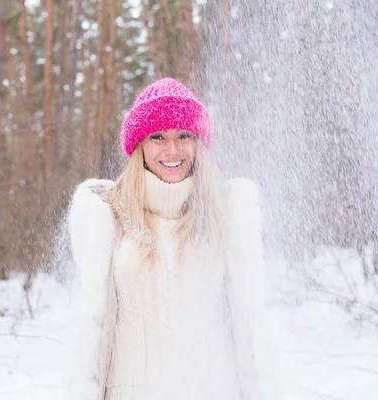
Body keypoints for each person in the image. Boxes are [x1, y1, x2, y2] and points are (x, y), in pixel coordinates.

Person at [67, 77, 280, 400]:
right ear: (138, 145)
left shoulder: (223, 216)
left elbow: (251, 327)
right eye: (157, 137)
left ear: (198, 142)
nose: (172, 149)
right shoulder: (111, 216)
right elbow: (93, 331)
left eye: (184, 135)